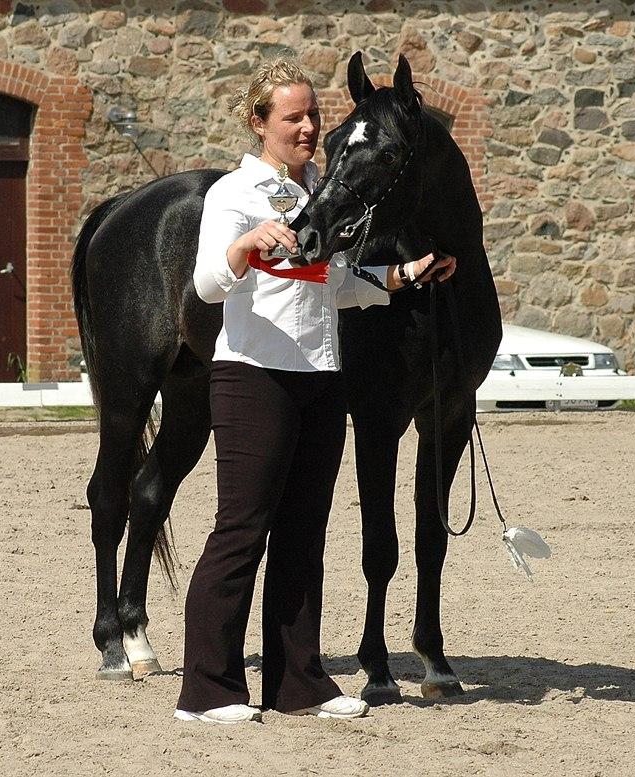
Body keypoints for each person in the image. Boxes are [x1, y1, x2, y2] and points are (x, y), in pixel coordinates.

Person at [175, 58, 456, 725]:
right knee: (242, 532)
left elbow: (332, 284)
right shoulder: (233, 194)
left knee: (304, 534)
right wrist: (247, 244)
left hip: (321, 378)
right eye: (292, 117)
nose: (307, 128)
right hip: (254, 375)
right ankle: (207, 690)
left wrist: (405, 275)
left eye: (313, 116)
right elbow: (209, 284)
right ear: (259, 122)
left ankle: (298, 684)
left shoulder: (321, 196)